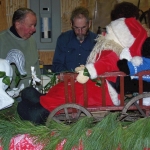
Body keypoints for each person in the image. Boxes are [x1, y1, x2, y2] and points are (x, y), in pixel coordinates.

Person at [0, 8, 41, 89]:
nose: (34, 29)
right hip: (10, 95)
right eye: (30, 25)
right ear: (18, 24)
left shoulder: (32, 41)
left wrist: (39, 88)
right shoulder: (2, 40)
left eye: (34, 25)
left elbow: (36, 68)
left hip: (31, 91)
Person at [52, 6, 97, 73]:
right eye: (76, 28)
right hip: (68, 81)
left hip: (90, 81)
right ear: (71, 24)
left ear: (89, 24)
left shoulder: (97, 41)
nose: (80, 32)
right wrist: (70, 75)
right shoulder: (63, 40)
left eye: (83, 28)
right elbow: (57, 65)